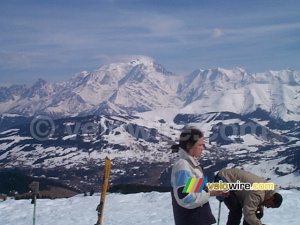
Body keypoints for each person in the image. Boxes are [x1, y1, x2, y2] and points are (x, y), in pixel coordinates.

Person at [171, 128, 227, 225]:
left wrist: (218, 190)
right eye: (200, 145)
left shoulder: (191, 165)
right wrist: (210, 193)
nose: (203, 148)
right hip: (191, 220)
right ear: (189, 145)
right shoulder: (183, 166)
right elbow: (186, 198)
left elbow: (195, 190)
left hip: (198, 219)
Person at [215, 168, 283, 225]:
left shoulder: (267, 190)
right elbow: (248, 214)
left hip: (230, 179)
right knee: (236, 211)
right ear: (272, 198)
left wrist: (260, 207)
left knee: (251, 213)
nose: (267, 206)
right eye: (270, 205)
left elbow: (257, 201)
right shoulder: (258, 193)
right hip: (224, 179)